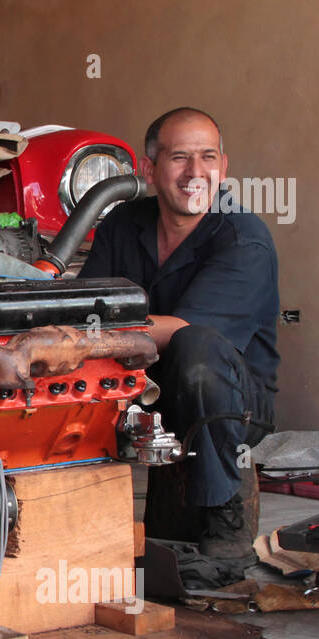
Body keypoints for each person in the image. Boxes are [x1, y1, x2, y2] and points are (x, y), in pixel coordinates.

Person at [78, 107, 279, 566]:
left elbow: (181, 333)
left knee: (196, 348)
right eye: (179, 158)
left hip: (230, 401)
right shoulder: (124, 224)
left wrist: (81, 339)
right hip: (138, 388)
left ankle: (222, 516)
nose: (195, 173)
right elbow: (87, 304)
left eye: (208, 157)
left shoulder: (243, 238)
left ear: (224, 168)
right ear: (148, 169)